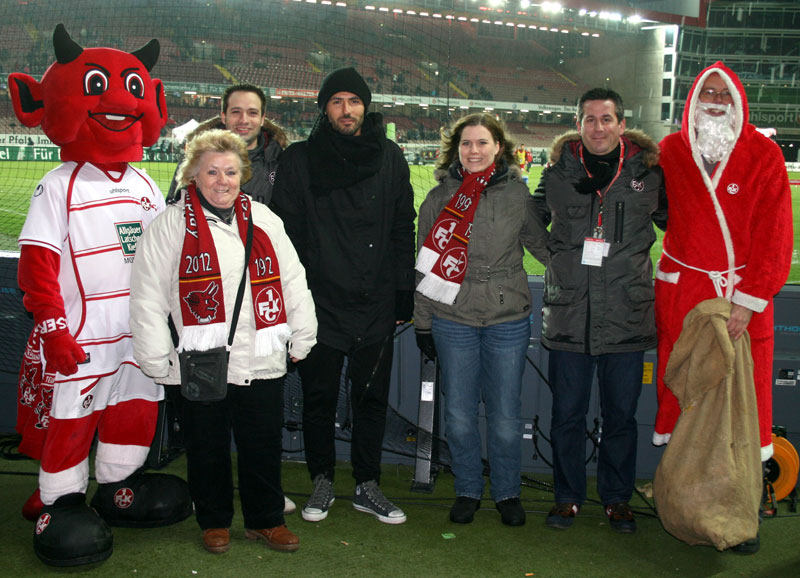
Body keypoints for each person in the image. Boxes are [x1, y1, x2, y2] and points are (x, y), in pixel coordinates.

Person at [10, 25, 191, 567]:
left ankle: (117, 485)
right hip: (81, 341)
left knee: (133, 411)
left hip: (137, 336)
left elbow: (162, 257)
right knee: (73, 418)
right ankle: (60, 498)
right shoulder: (58, 184)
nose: (119, 106)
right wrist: (52, 328)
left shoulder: (143, 182)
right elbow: (37, 267)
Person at [129, 130, 317, 554]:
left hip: (262, 355)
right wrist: (156, 358)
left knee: (262, 443)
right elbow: (147, 297)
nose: (222, 180)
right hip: (201, 358)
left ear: (242, 174)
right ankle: (213, 521)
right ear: (193, 174)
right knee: (206, 445)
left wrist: (304, 333)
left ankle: (265, 520)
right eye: (211, 171)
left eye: (230, 171)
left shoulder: (265, 219)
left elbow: (292, 280)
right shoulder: (170, 225)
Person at [654, 62, 793, 552]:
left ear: (738, 101)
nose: (714, 100)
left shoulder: (764, 153)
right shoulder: (671, 150)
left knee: (743, 406)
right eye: (706, 92)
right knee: (685, 392)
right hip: (685, 293)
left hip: (742, 298)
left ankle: (740, 509)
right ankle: (683, 505)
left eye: (723, 93)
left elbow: (776, 236)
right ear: (693, 98)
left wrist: (747, 302)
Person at [270, 67, 416, 525]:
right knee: (319, 399)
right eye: (337, 102)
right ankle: (322, 481)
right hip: (318, 304)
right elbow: (284, 233)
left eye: (354, 101)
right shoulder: (300, 159)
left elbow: (400, 225)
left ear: (365, 106)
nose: (346, 110)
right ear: (324, 109)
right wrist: (294, 300)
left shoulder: (391, 156)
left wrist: (402, 292)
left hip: (374, 304)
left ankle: (367, 485)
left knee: (370, 399)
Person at [531, 88, 666, 534]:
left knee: (621, 418)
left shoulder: (649, 173)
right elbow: (527, 220)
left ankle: (616, 498)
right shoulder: (557, 173)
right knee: (566, 415)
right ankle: (567, 497)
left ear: (622, 124)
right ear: (579, 123)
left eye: (606, 119)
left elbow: (681, 222)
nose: (598, 127)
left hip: (627, 315)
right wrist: (554, 258)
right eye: (589, 119)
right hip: (570, 316)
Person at [414, 113, 544, 526]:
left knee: (506, 415)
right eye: (467, 143)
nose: (474, 151)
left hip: (507, 317)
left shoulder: (517, 196)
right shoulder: (438, 198)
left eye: (482, 143)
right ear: (457, 149)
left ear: (498, 148)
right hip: (454, 316)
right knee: (459, 414)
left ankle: (507, 492)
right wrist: (422, 322)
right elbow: (426, 266)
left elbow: (542, 246)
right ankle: (467, 488)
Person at [167, 84, 287, 207]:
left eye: (252, 113)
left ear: (262, 119)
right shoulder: (196, 157)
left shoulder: (281, 161)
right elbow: (175, 208)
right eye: (236, 112)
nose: (244, 120)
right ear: (224, 117)